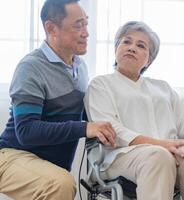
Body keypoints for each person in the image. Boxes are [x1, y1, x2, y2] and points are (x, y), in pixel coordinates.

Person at [84, 21, 184, 200]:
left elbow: (183, 122)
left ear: (149, 60)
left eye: (141, 46)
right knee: (158, 155)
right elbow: (111, 129)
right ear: (116, 48)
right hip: (120, 155)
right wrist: (161, 144)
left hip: (167, 152)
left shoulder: (162, 87)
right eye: (126, 42)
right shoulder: (101, 84)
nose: (132, 48)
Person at [0, 0, 116, 199]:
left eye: (86, 24)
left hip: (50, 167)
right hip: (11, 155)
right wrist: (84, 127)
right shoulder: (31, 67)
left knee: (61, 181)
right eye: (78, 25)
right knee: (61, 183)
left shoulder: (80, 67)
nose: (86, 32)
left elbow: (88, 115)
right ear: (51, 28)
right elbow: (26, 132)